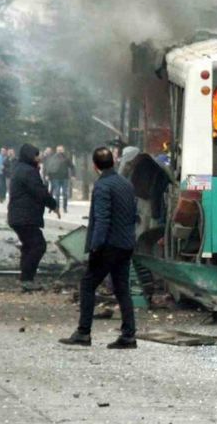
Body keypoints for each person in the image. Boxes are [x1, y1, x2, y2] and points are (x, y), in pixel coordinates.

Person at [60, 147, 138, 349]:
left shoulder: (103, 186)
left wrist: (95, 247)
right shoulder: (126, 184)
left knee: (87, 284)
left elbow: (102, 219)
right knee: (122, 289)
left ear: (95, 166)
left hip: (108, 246)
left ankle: (83, 332)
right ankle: (129, 335)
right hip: (126, 244)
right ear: (113, 161)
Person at [7, 144, 60, 291]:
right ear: (30, 156)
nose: (39, 158)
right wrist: (53, 205)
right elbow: (39, 191)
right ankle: (27, 279)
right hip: (25, 217)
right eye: (36, 155)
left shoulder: (19, 168)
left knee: (28, 246)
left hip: (18, 216)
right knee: (38, 245)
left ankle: (25, 279)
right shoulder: (29, 172)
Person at [49, 145, 75, 213]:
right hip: (55, 178)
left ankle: (65, 208)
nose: (60, 152)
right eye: (58, 150)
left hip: (65, 178)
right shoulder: (53, 158)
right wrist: (49, 176)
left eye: (61, 150)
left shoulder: (66, 158)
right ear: (56, 151)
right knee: (57, 193)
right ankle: (57, 207)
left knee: (65, 193)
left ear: (63, 150)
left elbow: (72, 167)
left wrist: (73, 175)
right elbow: (49, 167)